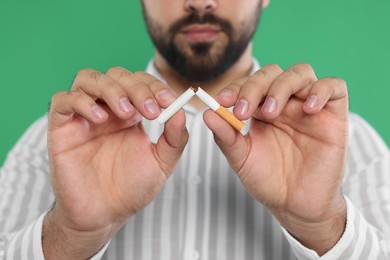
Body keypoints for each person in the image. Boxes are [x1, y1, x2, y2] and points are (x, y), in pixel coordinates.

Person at [0, 0, 389, 259]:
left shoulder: (352, 146)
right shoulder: (53, 143)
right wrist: (69, 235)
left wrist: (322, 226)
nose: (201, 1)